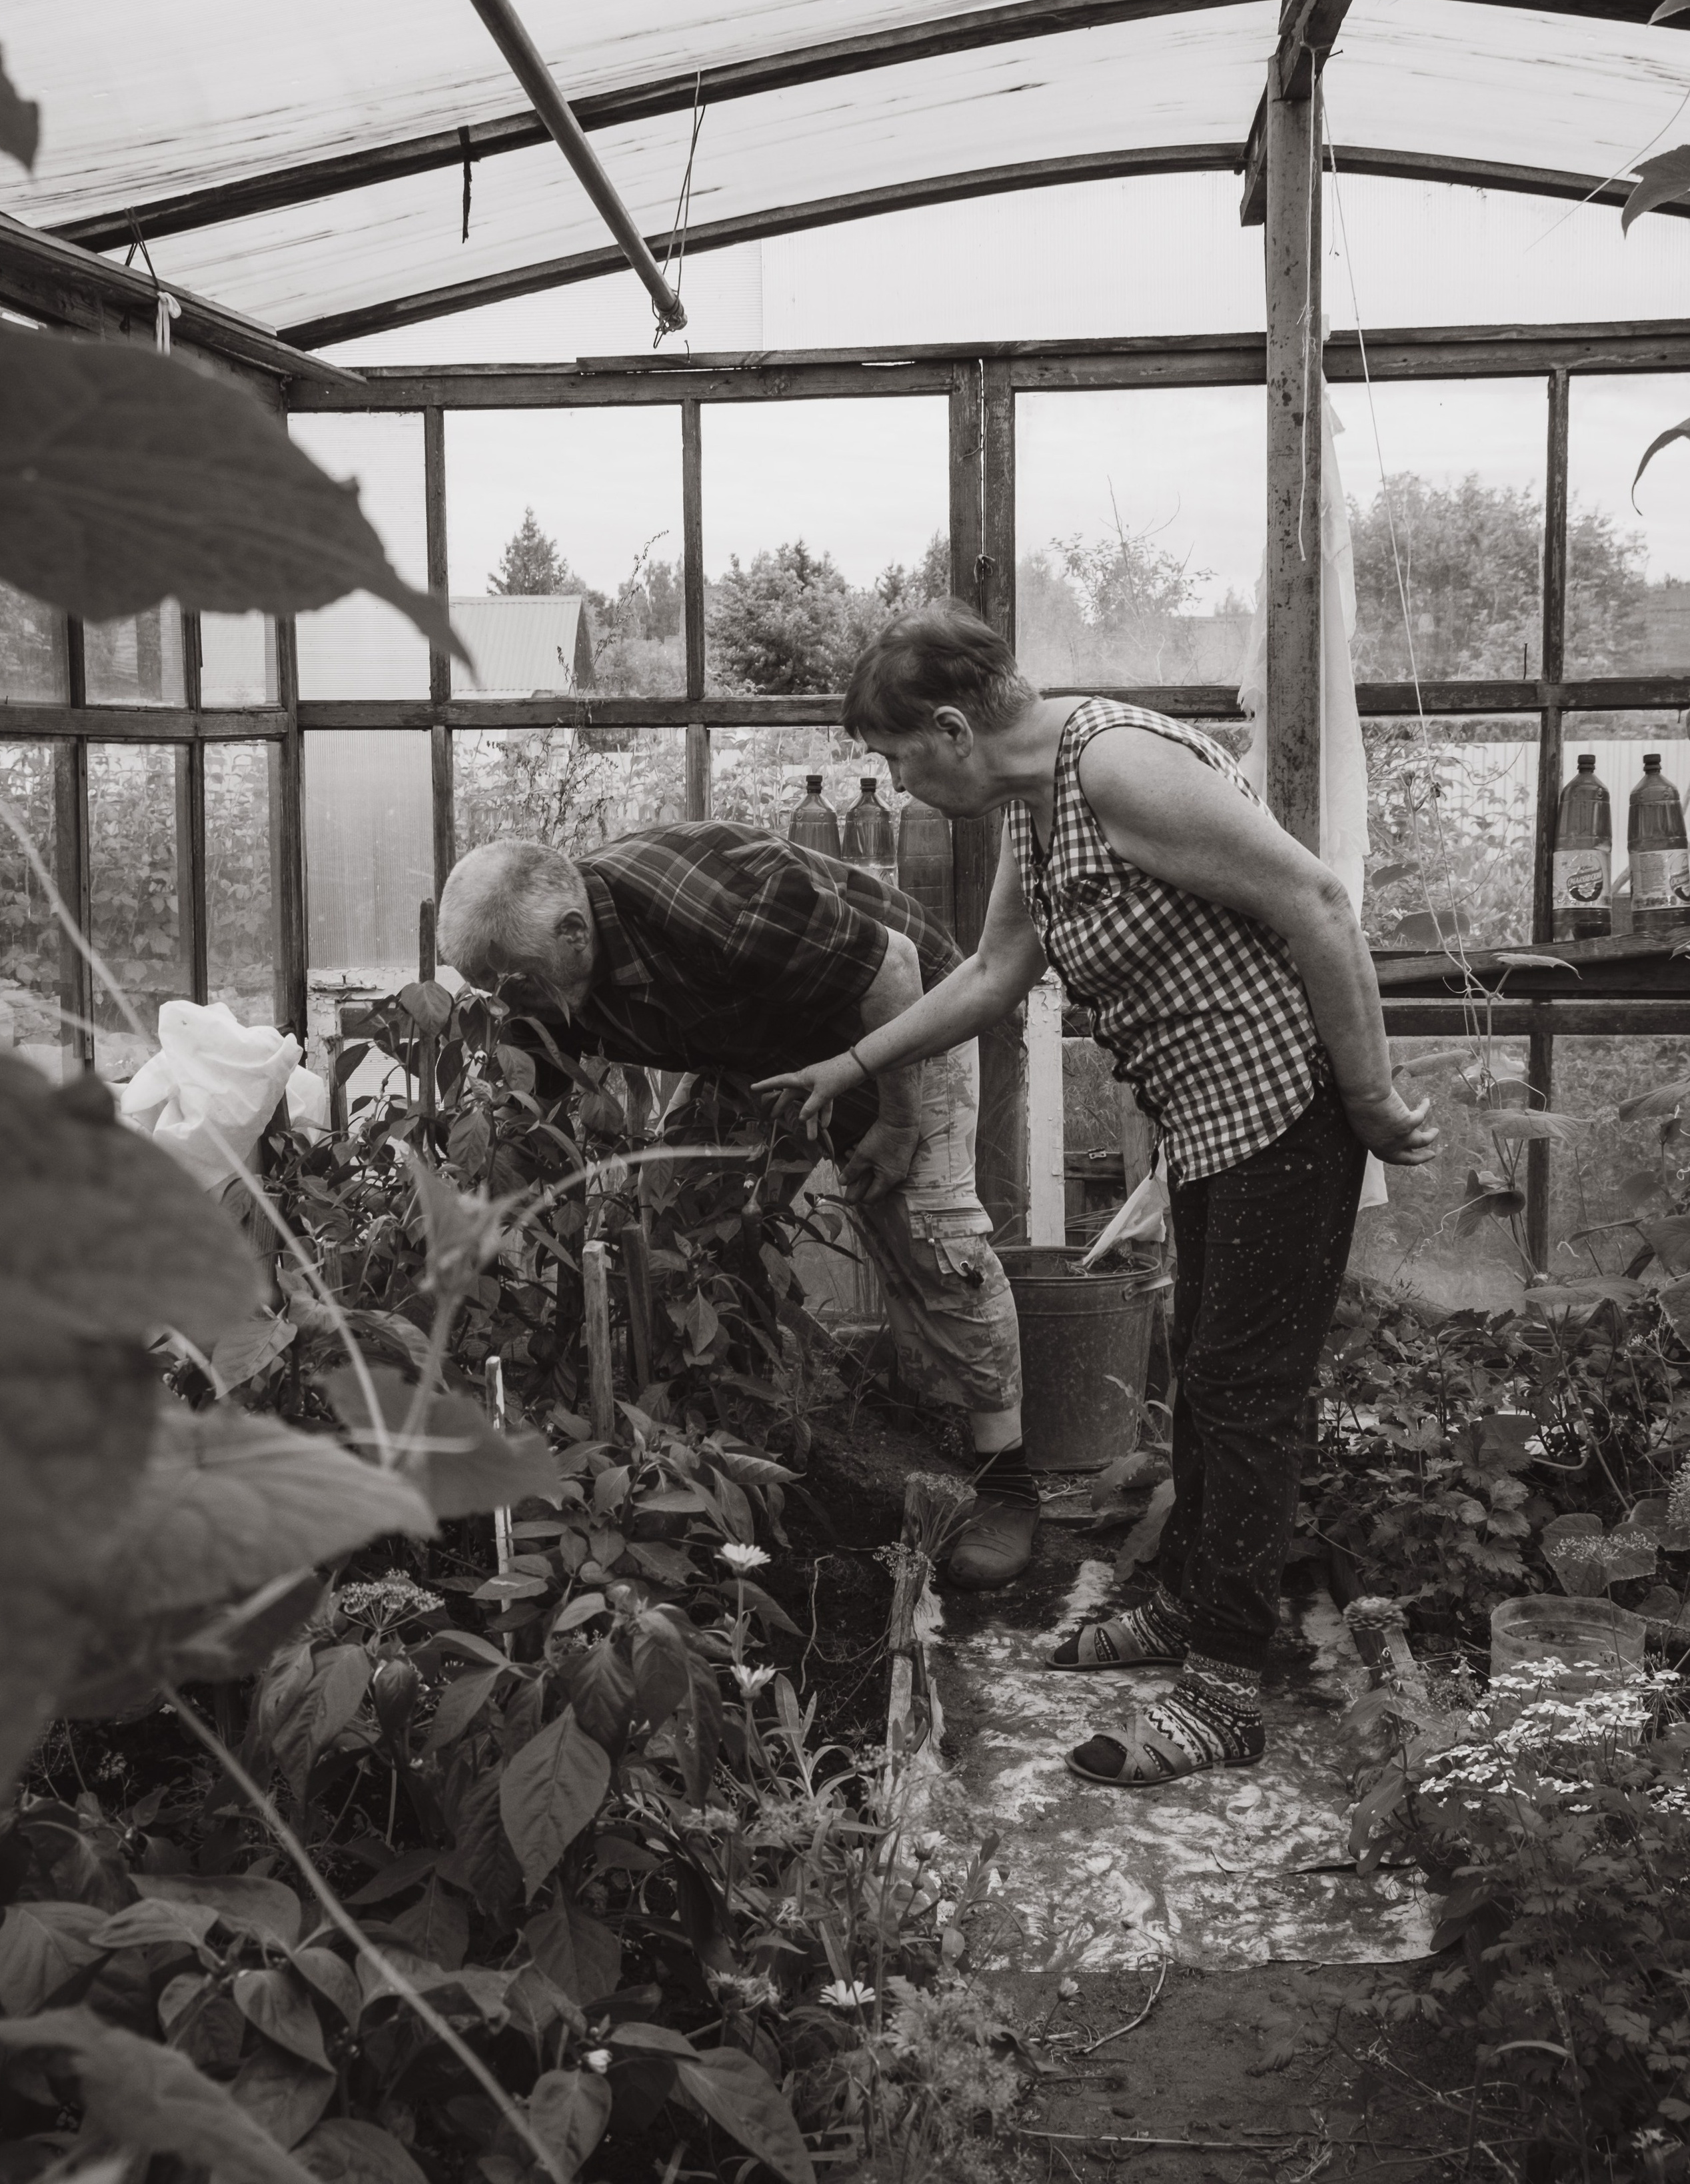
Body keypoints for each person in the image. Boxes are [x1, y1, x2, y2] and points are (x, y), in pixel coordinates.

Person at [760, 606, 1438, 1789]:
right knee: (1207, 1374)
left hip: (1288, 1112)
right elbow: (995, 971)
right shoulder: (1038, 800)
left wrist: (1372, 1096)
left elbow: (1319, 903)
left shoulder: (1117, 763)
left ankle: (1224, 1690)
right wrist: (851, 1064)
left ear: (954, 729)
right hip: (1215, 1123)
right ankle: (1187, 1606)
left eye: (898, 758)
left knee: (1246, 1397)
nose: (901, 784)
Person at [435, 821, 1038, 1586]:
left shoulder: (716, 902)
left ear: (574, 932)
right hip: (753, 1044)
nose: (510, 1004)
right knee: (678, 1220)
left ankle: (1007, 1480)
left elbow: (891, 967)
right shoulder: (540, 970)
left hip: (907, 1012)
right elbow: (530, 1108)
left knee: (932, 1240)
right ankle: (719, 1426)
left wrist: (895, 1122)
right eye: (491, 991)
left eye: (517, 986)